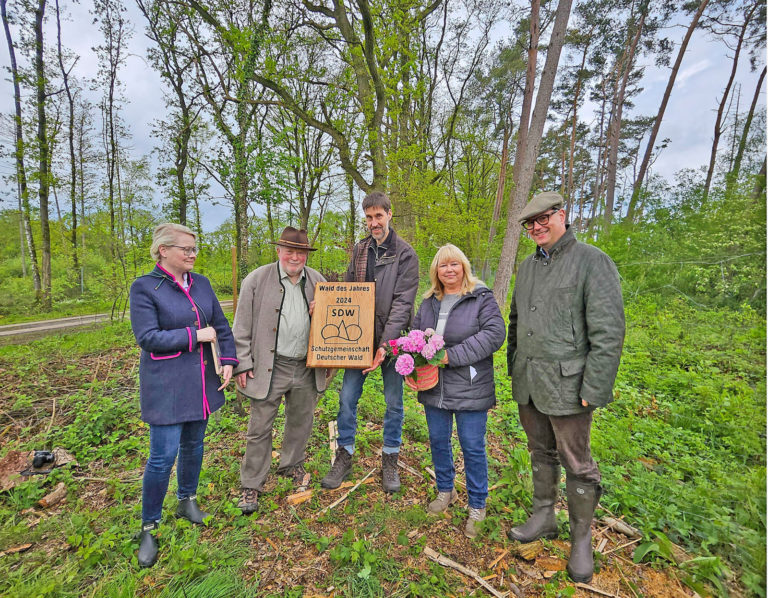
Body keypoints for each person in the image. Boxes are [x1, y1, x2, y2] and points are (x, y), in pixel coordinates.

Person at [506, 191, 625, 583]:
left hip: (570, 387)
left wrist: (595, 386)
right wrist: (514, 369)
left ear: (563, 215)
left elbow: (608, 332)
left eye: (544, 219)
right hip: (529, 382)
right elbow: (515, 322)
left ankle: (581, 539)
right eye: (530, 224)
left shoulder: (592, 261)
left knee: (578, 462)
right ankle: (544, 515)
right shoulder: (526, 267)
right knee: (540, 451)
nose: (537, 228)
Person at [129, 223, 237, 568]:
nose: (192, 255)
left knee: (194, 445)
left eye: (194, 249)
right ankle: (149, 525)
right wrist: (194, 335)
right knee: (162, 457)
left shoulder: (202, 284)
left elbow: (220, 327)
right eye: (185, 249)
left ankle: (187, 499)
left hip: (201, 383)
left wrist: (229, 362)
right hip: (166, 386)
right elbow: (148, 337)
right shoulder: (146, 288)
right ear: (163, 250)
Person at [320, 191, 419, 493]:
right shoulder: (360, 250)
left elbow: (403, 304)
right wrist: (324, 305)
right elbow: (350, 292)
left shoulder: (405, 254)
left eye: (379, 216)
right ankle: (345, 453)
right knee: (347, 399)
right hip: (357, 340)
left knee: (393, 402)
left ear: (390, 215)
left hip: (392, 342)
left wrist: (385, 345)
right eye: (369, 217)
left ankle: (390, 456)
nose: (374, 222)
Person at [410, 244, 506, 538]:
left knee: (472, 445)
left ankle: (477, 504)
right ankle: (445, 490)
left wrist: (453, 356)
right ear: (435, 271)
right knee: (438, 441)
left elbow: (494, 333)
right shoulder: (428, 302)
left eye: (454, 264)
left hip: (470, 383)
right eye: (443, 265)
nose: (449, 270)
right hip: (434, 385)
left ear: (463, 266)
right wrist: (411, 364)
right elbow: (415, 335)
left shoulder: (480, 297)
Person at [232, 227, 329, 514]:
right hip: (268, 366)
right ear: (278, 251)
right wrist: (243, 362)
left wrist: (321, 311)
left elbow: (335, 324)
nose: (295, 257)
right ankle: (251, 483)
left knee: (301, 421)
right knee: (260, 426)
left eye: (300, 252)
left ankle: (291, 465)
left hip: (305, 366)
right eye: (290, 251)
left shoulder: (318, 281)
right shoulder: (257, 280)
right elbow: (241, 326)